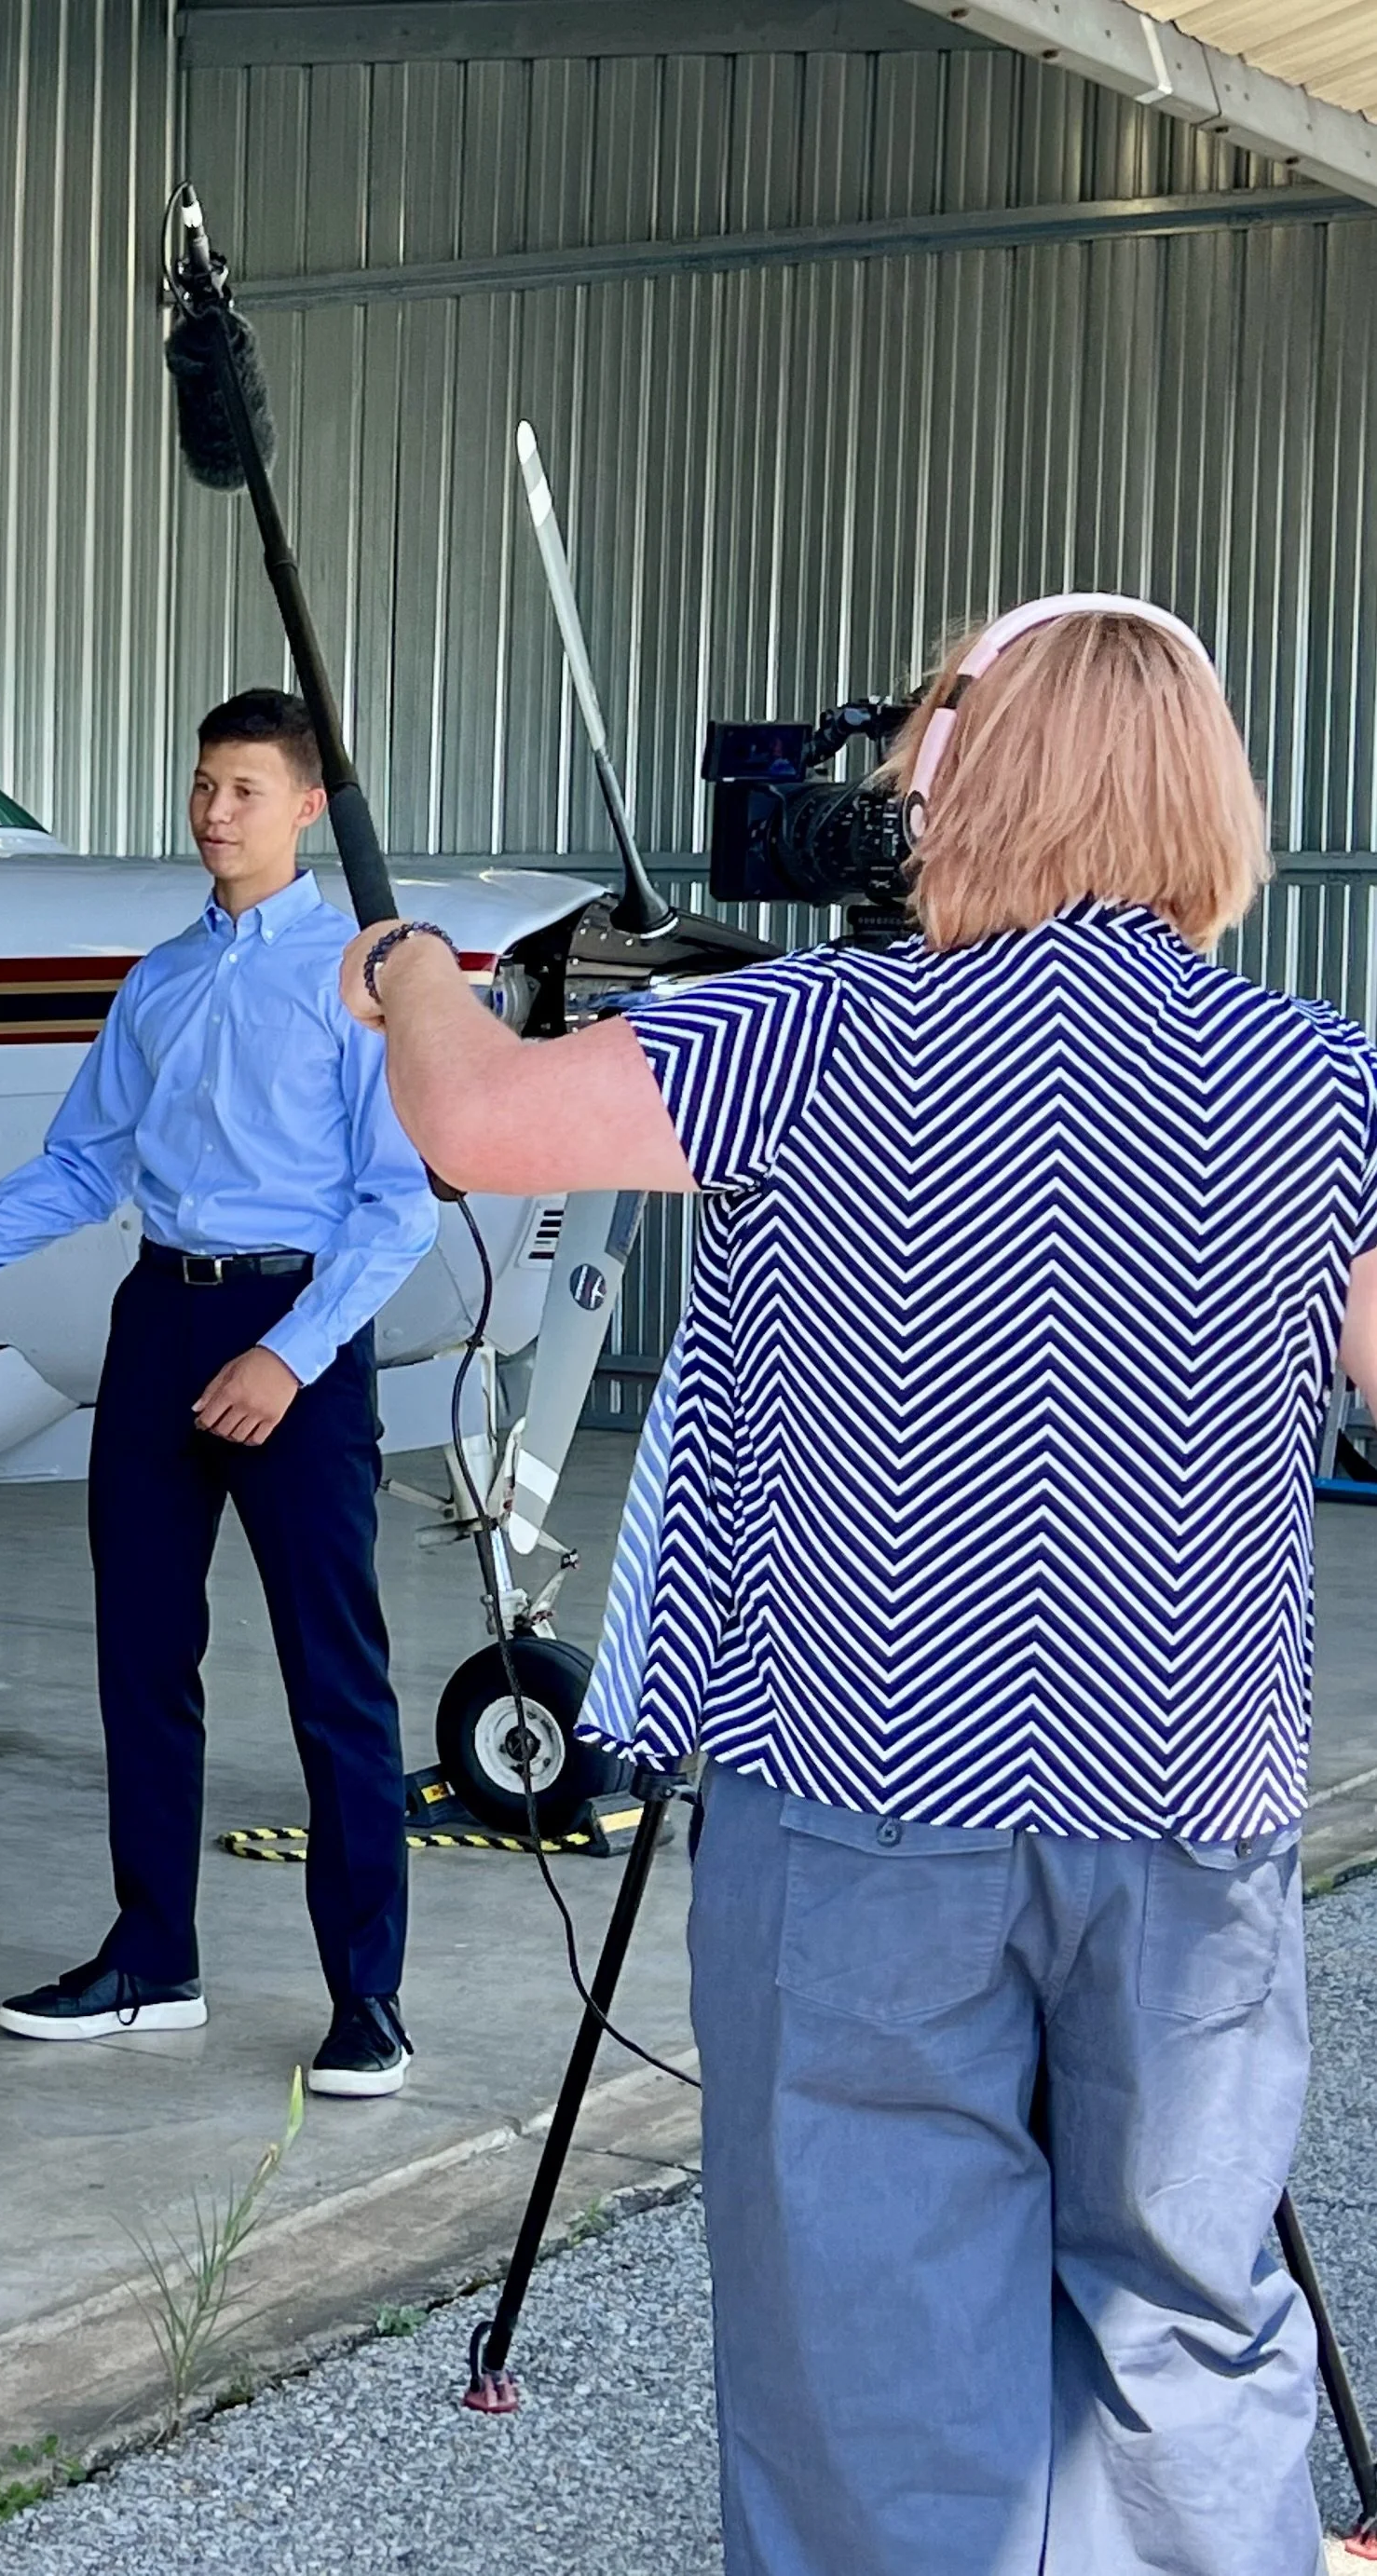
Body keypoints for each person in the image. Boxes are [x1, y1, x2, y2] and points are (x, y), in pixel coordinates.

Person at [340, 596, 1370, 2576]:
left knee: (872, 2340)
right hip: (1188, 1810)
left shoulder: (803, 1033)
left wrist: (406, 973)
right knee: (1184, 2313)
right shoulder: (1325, 1080)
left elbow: (472, 1118)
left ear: (956, 782)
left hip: (869, 1789)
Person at [0, 688, 436, 2096]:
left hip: (294, 1331)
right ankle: (151, 1958)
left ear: (308, 808)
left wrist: (287, 1355)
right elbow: (84, 1166)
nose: (213, 812)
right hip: (161, 1316)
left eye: (246, 790)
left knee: (338, 1682)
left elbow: (398, 1208)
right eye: (204, 784)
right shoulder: (159, 980)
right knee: (141, 1657)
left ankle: (367, 1998)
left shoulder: (361, 978)